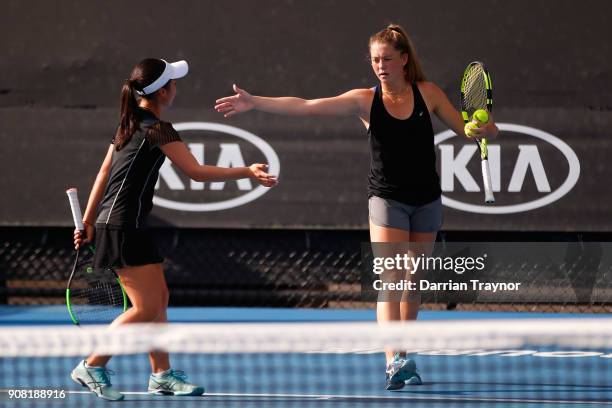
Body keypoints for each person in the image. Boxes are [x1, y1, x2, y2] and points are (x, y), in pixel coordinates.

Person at [215, 24, 498, 390]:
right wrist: (255, 102)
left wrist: (485, 129)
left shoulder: (428, 94)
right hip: (386, 199)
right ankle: (393, 360)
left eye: (387, 59)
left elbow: (470, 131)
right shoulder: (365, 100)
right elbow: (306, 106)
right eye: (376, 60)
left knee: (413, 281)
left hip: (426, 200)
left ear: (404, 60)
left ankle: (405, 354)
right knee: (391, 278)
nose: (380, 66)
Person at [71, 58, 277, 401]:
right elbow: (196, 172)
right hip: (123, 227)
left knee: (158, 301)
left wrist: (90, 221)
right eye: (173, 83)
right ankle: (93, 364)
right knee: (145, 308)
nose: (176, 88)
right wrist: (247, 171)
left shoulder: (129, 123)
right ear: (163, 91)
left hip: (122, 224)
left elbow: (102, 173)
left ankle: (161, 374)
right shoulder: (157, 129)